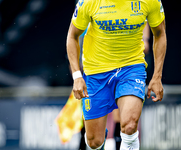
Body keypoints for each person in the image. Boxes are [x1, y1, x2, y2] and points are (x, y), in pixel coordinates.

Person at [66, 0, 166, 149]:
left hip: (131, 68)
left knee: (130, 125)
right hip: (96, 72)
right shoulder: (88, 2)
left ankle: (124, 141)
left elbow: (160, 33)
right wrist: (77, 76)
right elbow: (72, 36)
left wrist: (157, 76)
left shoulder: (149, 1)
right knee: (94, 141)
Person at [113, 23, 150, 150]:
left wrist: (144, 39)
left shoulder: (140, 8)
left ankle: (123, 144)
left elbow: (146, 47)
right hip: (106, 68)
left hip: (131, 70)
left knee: (127, 121)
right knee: (93, 134)